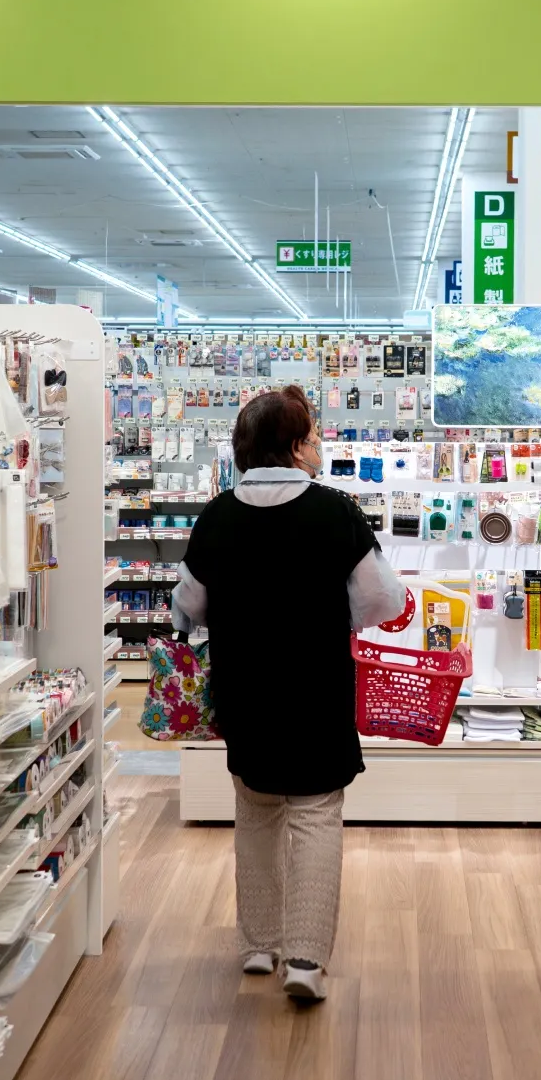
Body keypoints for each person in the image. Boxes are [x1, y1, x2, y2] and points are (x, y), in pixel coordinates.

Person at [170, 385, 404, 1004]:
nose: (320, 443)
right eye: (314, 435)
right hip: (316, 684)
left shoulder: (217, 515)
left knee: (255, 809)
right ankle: (304, 958)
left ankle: (257, 945)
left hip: (244, 686)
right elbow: (386, 599)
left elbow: (186, 608)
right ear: (295, 446)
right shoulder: (336, 512)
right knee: (317, 812)